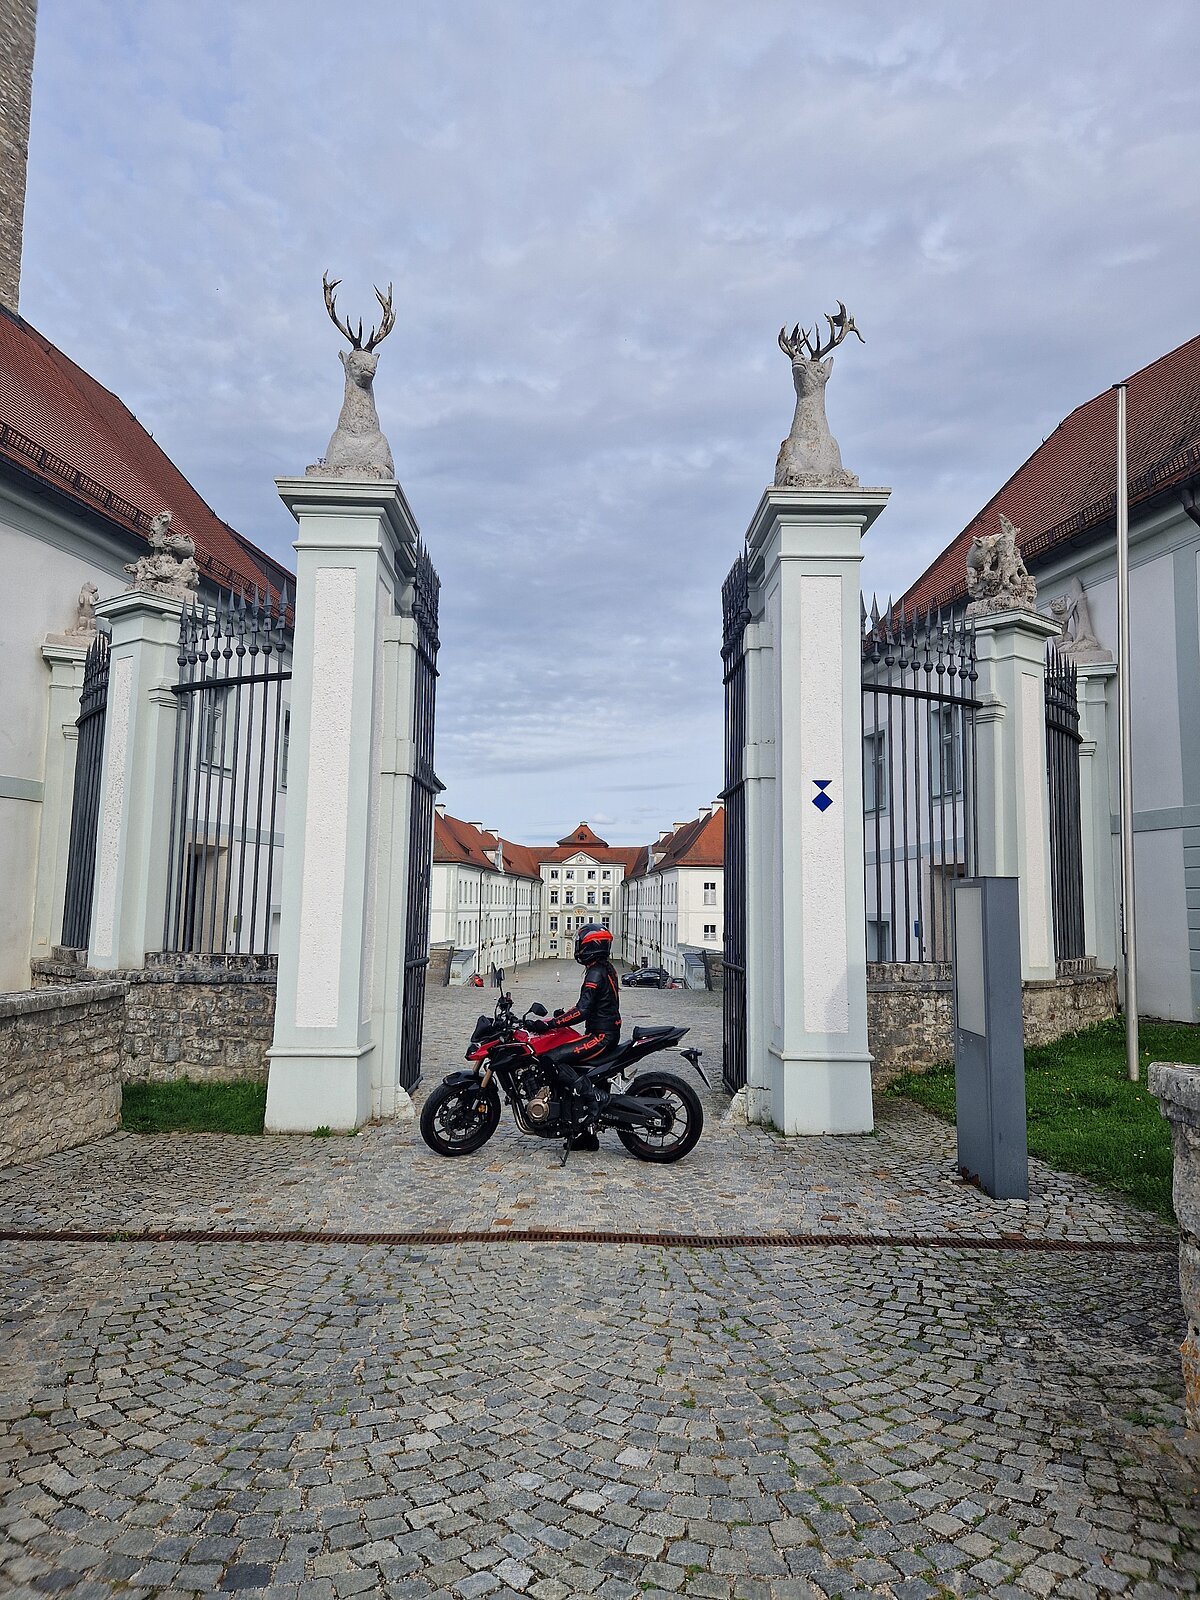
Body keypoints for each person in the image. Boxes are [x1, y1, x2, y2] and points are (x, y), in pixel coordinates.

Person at [544, 922, 621, 1150]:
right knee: (575, 1067)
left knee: (551, 1058)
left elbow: (582, 1011)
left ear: (591, 947)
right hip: (605, 1032)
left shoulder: (596, 972)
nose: (578, 948)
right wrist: (563, 1015)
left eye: (581, 944)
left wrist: (550, 1023)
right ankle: (587, 1135)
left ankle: (595, 1097)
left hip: (601, 1036)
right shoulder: (604, 968)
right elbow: (591, 1005)